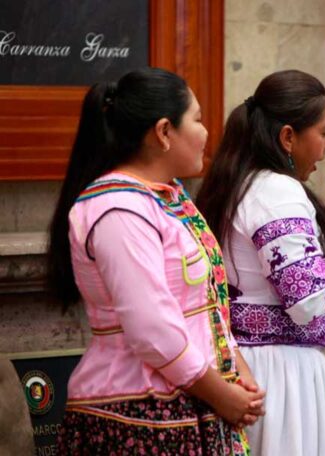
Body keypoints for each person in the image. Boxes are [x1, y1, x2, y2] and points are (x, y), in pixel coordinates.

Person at [47, 67, 265, 454]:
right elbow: (151, 328)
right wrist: (220, 393)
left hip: (194, 398)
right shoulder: (118, 208)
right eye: (196, 119)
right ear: (164, 132)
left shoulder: (168, 198)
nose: (205, 132)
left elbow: (208, 300)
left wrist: (236, 371)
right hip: (139, 412)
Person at [195, 69, 325, 456]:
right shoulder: (277, 190)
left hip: (250, 365)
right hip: (279, 376)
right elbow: (305, 301)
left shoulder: (237, 183)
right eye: (324, 131)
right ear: (287, 136)